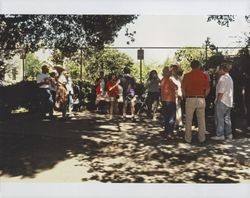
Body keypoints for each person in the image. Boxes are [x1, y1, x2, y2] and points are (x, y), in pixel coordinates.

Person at [181, 60, 210, 143]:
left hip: (190, 98)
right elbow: (208, 88)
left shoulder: (186, 75)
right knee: (201, 120)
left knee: (189, 120)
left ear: (191, 66)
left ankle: (188, 138)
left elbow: (183, 88)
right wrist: (204, 96)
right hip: (201, 98)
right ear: (199, 66)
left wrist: (185, 96)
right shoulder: (204, 76)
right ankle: (202, 138)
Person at [211, 63, 234, 140]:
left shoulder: (223, 78)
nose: (218, 71)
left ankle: (220, 134)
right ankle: (229, 133)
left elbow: (221, 91)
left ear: (222, 69)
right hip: (228, 101)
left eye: (219, 69)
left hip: (222, 100)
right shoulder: (229, 78)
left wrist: (217, 100)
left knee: (219, 118)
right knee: (227, 118)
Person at [160, 66, 177, 139]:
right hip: (170, 100)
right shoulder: (169, 80)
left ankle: (166, 132)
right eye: (169, 71)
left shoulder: (162, 80)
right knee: (171, 117)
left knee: (166, 117)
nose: (171, 73)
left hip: (164, 100)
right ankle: (170, 133)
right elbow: (175, 87)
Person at [170, 64, 184, 129]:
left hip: (179, 95)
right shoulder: (170, 78)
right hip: (173, 96)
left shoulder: (178, 78)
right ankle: (175, 123)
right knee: (174, 109)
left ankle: (179, 122)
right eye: (174, 70)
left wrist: (181, 94)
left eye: (176, 69)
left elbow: (181, 86)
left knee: (179, 108)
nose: (175, 71)